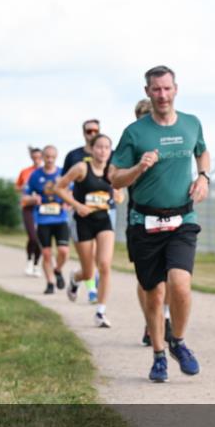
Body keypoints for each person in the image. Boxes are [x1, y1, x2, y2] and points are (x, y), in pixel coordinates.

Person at [110, 65, 210, 383]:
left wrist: (204, 176)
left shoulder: (192, 123)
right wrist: (139, 167)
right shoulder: (135, 133)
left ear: (176, 89)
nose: (162, 95)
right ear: (147, 92)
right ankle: (158, 355)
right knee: (153, 294)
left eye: (167, 88)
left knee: (180, 285)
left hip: (182, 218)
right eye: (156, 89)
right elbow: (114, 177)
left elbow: (202, 153)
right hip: (144, 222)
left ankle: (177, 341)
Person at [57, 133, 116, 327]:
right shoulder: (82, 168)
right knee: (89, 272)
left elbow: (119, 192)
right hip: (83, 222)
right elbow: (59, 188)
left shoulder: (112, 170)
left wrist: (118, 195)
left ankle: (100, 312)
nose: (103, 151)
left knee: (105, 265)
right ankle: (75, 278)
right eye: (99, 147)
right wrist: (77, 205)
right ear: (91, 149)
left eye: (107, 147)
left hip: (103, 221)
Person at [63, 118, 124, 303]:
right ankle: (81, 279)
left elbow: (118, 182)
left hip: (107, 211)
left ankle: (97, 298)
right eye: (89, 131)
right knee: (89, 261)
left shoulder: (111, 156)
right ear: (84, 133)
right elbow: (63, 184)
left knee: (103, 259)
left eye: (95, 130)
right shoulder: (74, 156)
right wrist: (74, 204)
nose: (92, 133)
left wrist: (119, 194)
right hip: (83, 214)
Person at [134, 97, 172, 347]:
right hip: (141, 218)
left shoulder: (169, 143)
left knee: (170, 274)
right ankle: (151, 320)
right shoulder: (133, 142)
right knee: (147, 279)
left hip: (171, 216)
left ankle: (164, 317)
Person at [25, 145, 70, 294]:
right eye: (47, 157)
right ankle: (50, 283)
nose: (50, 160)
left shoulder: (63, 173)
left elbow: (72, 192)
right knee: (46, 254)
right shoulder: (35, 175)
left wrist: (67, 201)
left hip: (60, 219)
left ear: (56, 157)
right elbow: (25, 197)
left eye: (52, 157)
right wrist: (33, 198)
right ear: (42, 157)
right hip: (43, 220)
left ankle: (57, 270)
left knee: (63, 251)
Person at [15, 147, 43, 276]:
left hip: (43, 208)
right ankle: (29, 261)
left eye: (39, 157)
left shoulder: (46, 172)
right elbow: (17, 187)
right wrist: (25, 187)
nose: (37, 160)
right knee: (32, 236)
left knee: (40, 238)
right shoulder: (25, 172)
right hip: (28, 206)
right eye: (34, 157)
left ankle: (37, 264)